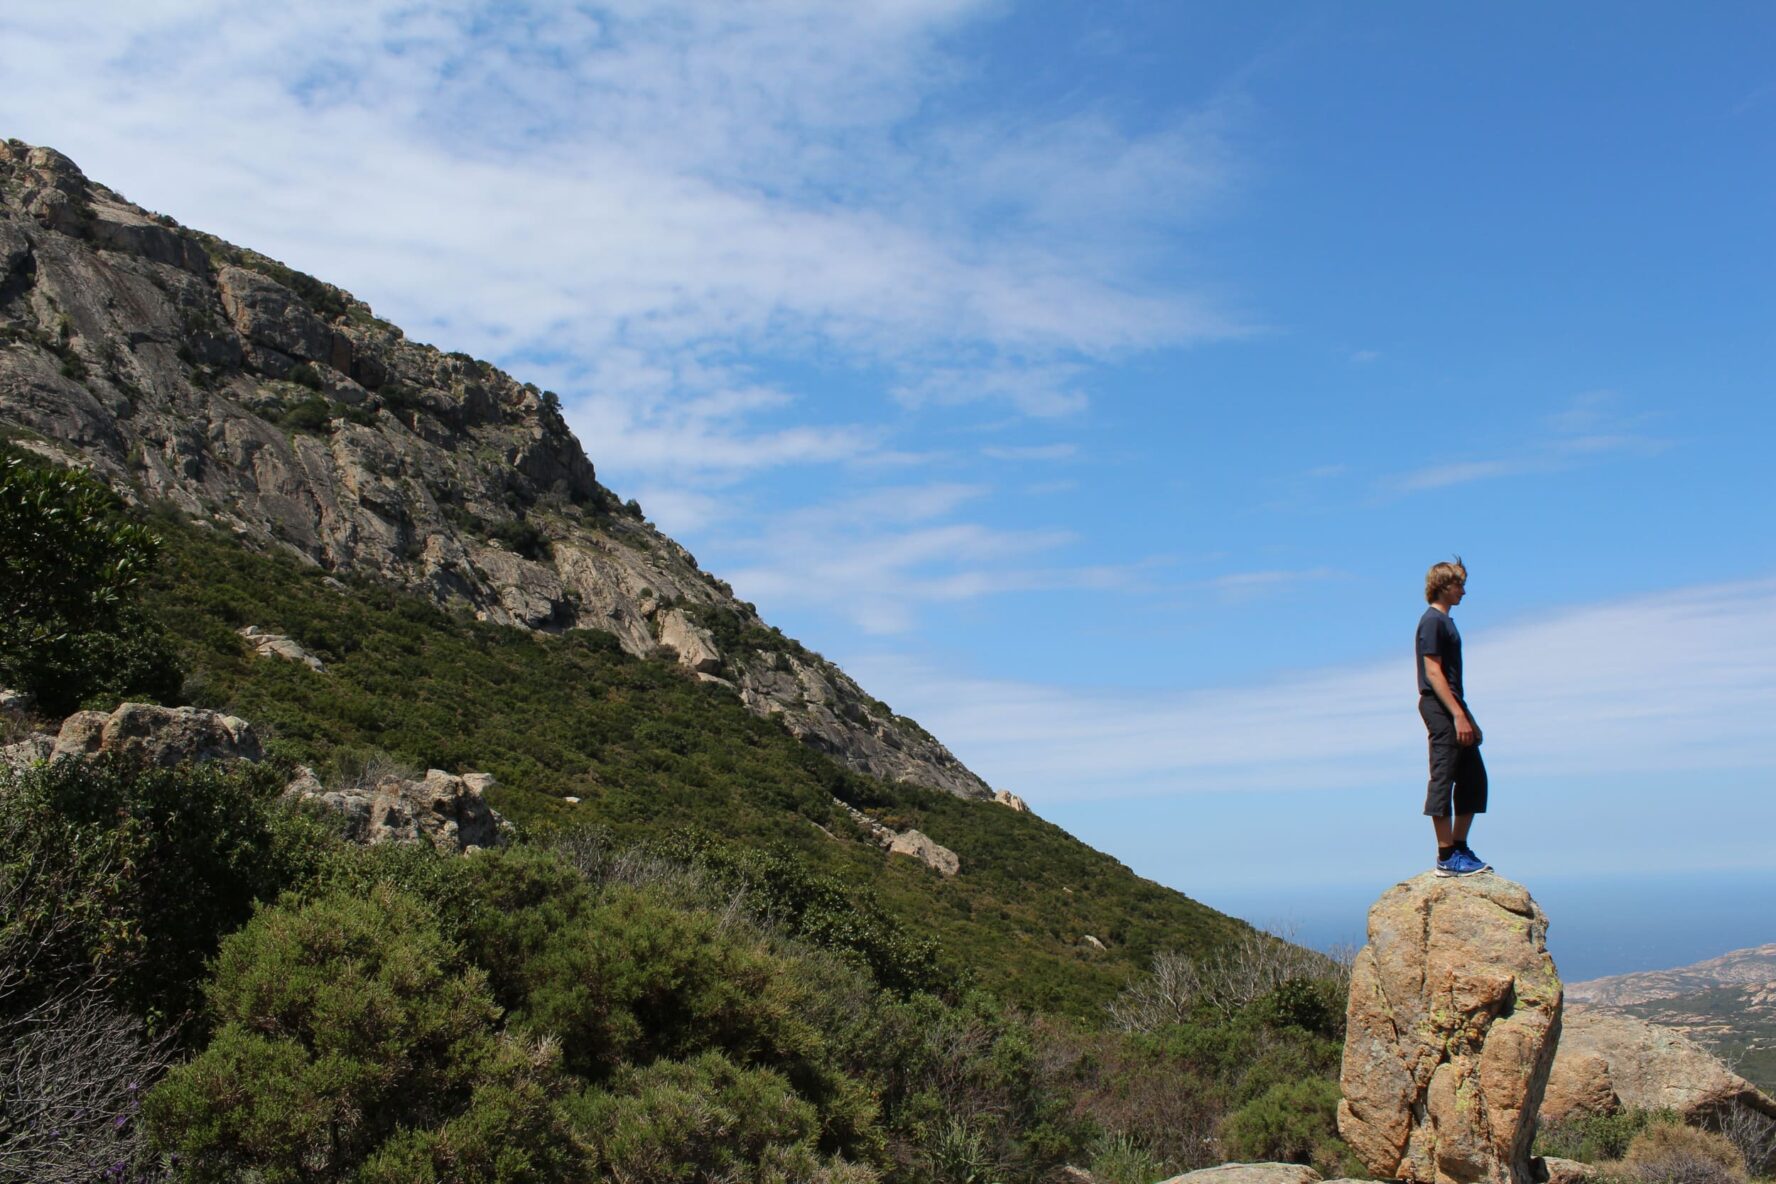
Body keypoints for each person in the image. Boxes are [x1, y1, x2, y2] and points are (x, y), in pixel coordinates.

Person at [1417, 558, 1491, 877]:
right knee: (1443, 775)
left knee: (1474, 778)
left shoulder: (1446, 622)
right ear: (1443, 586)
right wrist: (1457, 715)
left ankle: (1459, 846)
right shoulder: (1432, 621)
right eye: (1458, 584)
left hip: (1454, 705)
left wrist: (1467, 719)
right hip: (1439, 706)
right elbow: (1432, 672)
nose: (1463, 591)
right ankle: (1446, 855)